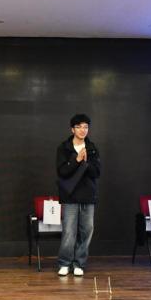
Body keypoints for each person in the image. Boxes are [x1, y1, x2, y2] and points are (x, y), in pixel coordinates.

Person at [56, 114, 101, 277]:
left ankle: (79, 263)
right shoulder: (63, 148)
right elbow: (62, 172)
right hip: (70, 196)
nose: (83, 130)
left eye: (86, 127)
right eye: (79, 127)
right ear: (72, 129)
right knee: (69, 231)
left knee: (87, 230)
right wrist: (77, 159)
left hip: (88, 196)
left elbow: (97, 173)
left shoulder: (92, 148)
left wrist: (86, 162)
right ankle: (64, 263)